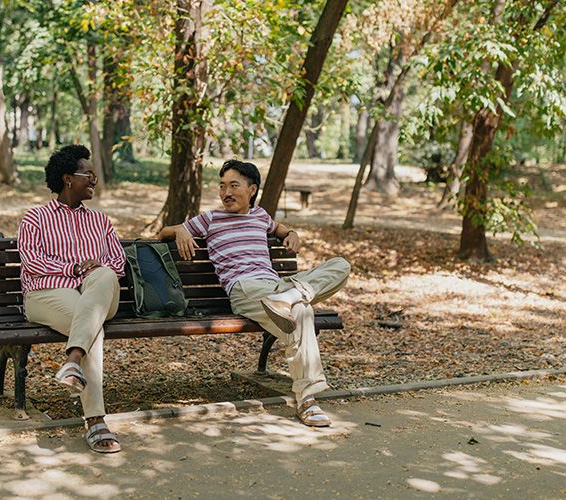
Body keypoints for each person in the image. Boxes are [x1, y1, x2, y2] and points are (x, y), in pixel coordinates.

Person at [158, 159, 350, 427]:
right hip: (244, 288)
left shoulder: (260, 216)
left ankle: (289, 298)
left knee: (341, 264)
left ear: (251, 189)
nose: (226, 192)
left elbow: (280, 229)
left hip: (276, 287)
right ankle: (307, 401)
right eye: (222, 186)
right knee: (303, 310)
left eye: (234, 185)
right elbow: (164, 231)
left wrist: (291, 233)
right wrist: (179, 229)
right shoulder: (211, 219)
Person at [17, 144, 125, 453]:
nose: (94, 181)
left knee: (103, 275)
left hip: (98, 293)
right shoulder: (35, 218)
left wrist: (95, 269)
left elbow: (117, 265)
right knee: (92, 325)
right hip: (47, 293)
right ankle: (95, 421)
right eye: (88, 174)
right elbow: (32, 262)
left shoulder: (101, 222)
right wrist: (74, 268)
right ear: (68, 179)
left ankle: (72, 360)